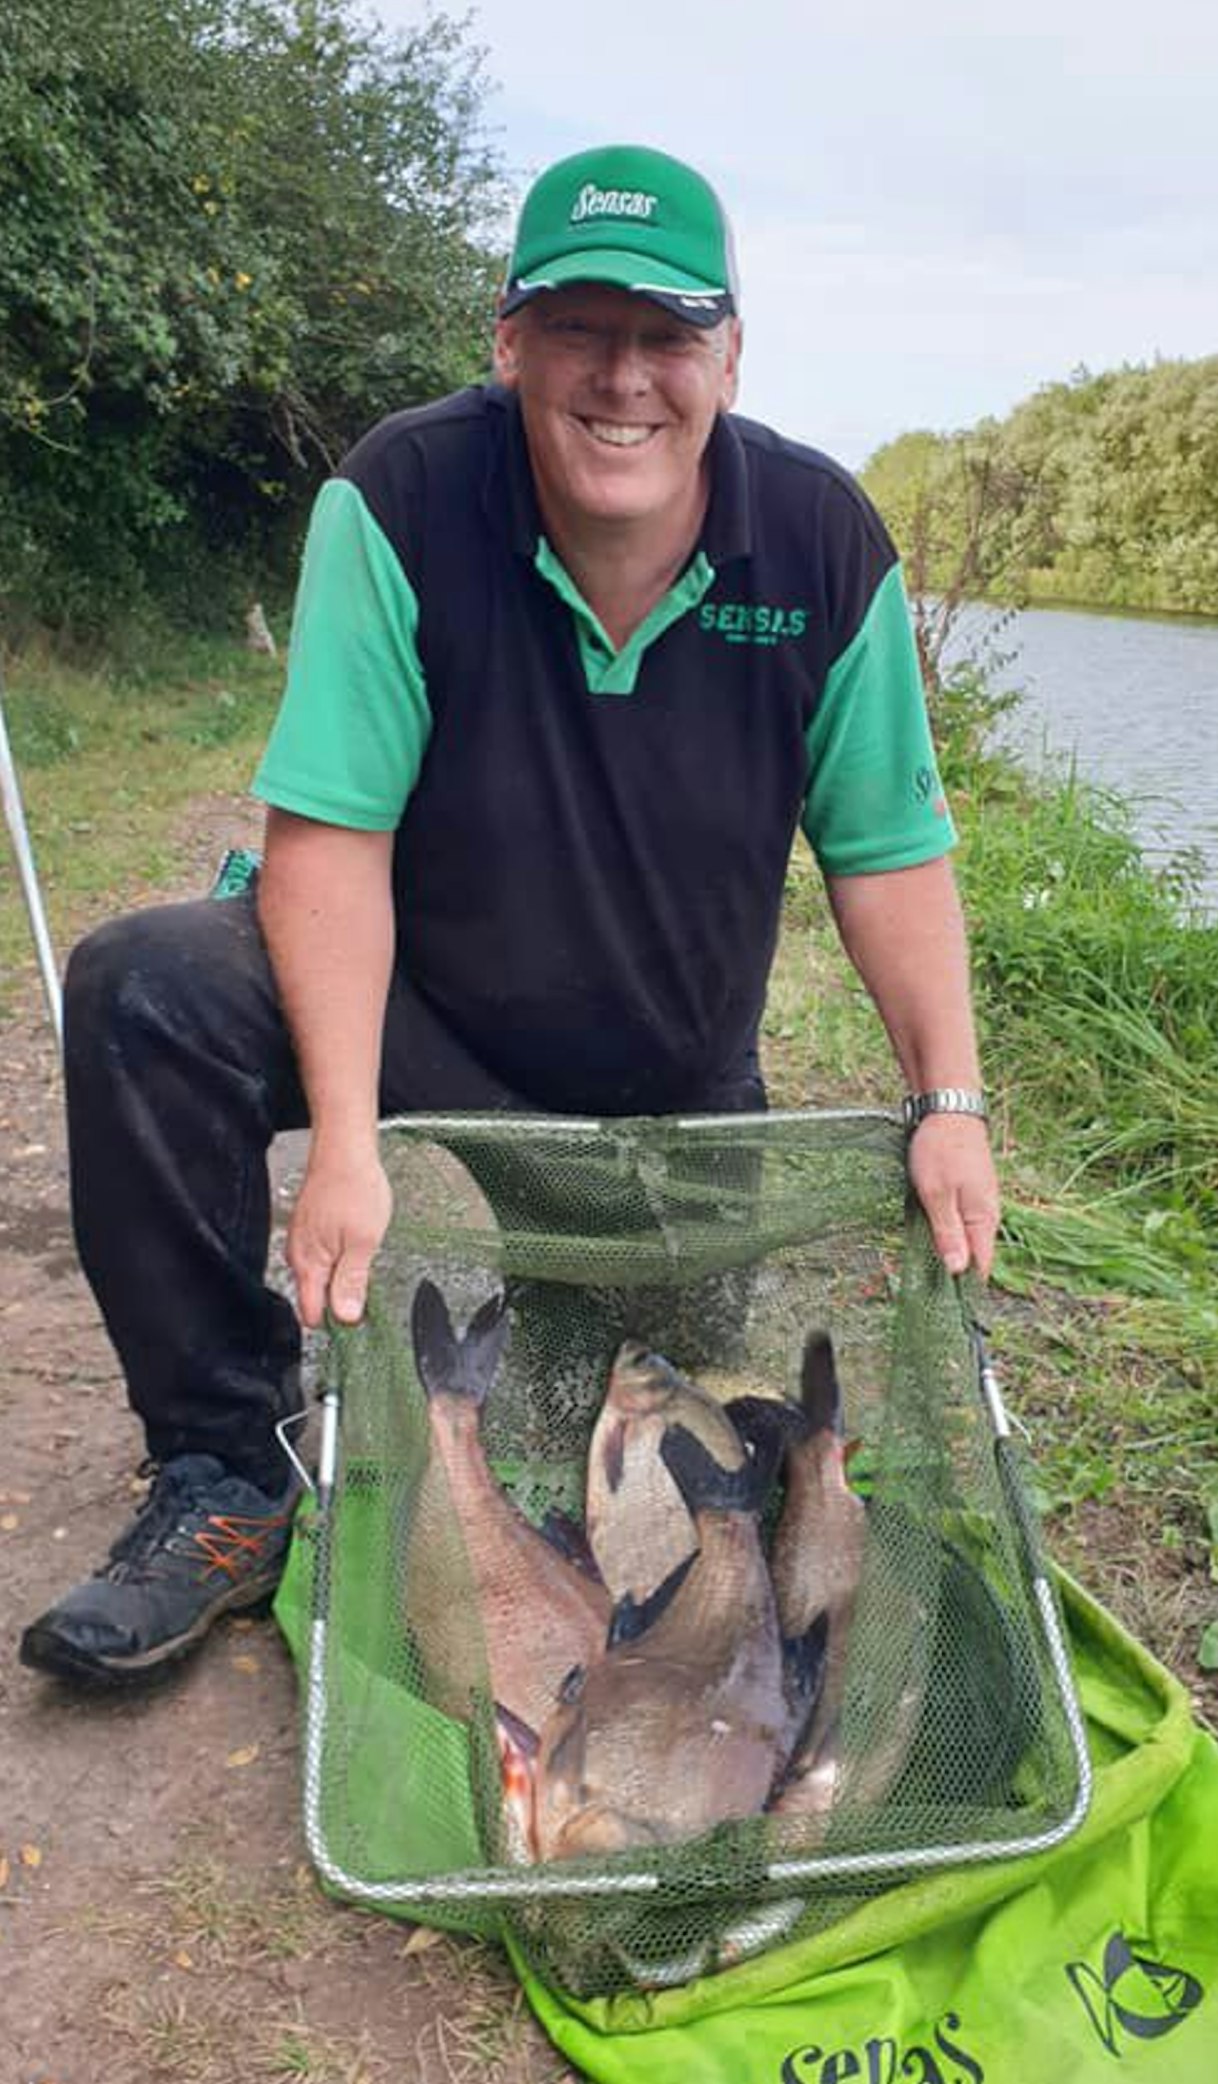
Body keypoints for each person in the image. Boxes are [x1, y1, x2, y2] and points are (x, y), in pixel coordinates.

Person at [19, 143, 1000, 1686]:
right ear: (508, 341)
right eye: (578, 329)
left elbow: (887, 852)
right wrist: (345, 1140)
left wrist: (947, 1100)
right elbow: (328, 836)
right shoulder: (402, 497)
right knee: (147, 986)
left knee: (635, 1456)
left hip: (662, 1077)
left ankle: (576, 1333)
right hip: (419, 1006)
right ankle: (225, 1471)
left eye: (667, 333)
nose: (624, 380)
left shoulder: (822, 546)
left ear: (729, 357)